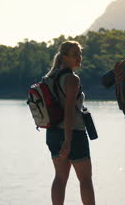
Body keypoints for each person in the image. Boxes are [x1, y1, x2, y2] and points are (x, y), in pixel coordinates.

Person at [44, 41, 96, 205]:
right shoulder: (72, 79)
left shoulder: (50, 78)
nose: (79, 57)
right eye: (75, 54)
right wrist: (67, 141)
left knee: (60, 178)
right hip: (73, 134)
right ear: (64, 57)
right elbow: (68, 112)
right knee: (85, 180)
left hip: (53, 133)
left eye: (80, 53)